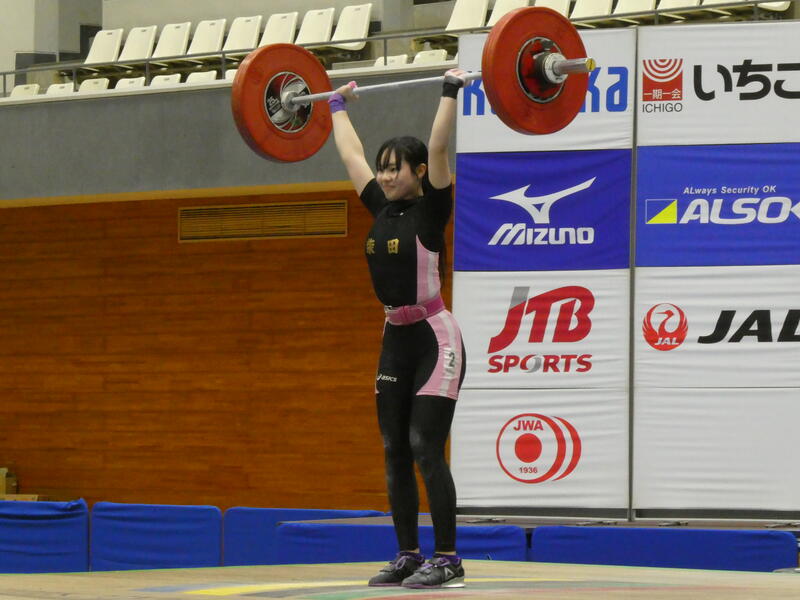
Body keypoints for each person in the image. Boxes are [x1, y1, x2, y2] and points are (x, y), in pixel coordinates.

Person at [328, 69, 468, 589]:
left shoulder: (433, 209)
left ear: (418, 171)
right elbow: (351, 155)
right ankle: (408, 554)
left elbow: (439, 145)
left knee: (424, 446)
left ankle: (447, 557)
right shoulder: (380, 207)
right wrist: (335, 106)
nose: (385, 177)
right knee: (394, 449)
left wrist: (449, 90)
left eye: (395, 169)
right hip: (395, 339)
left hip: (435, 338)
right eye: (383, 169)